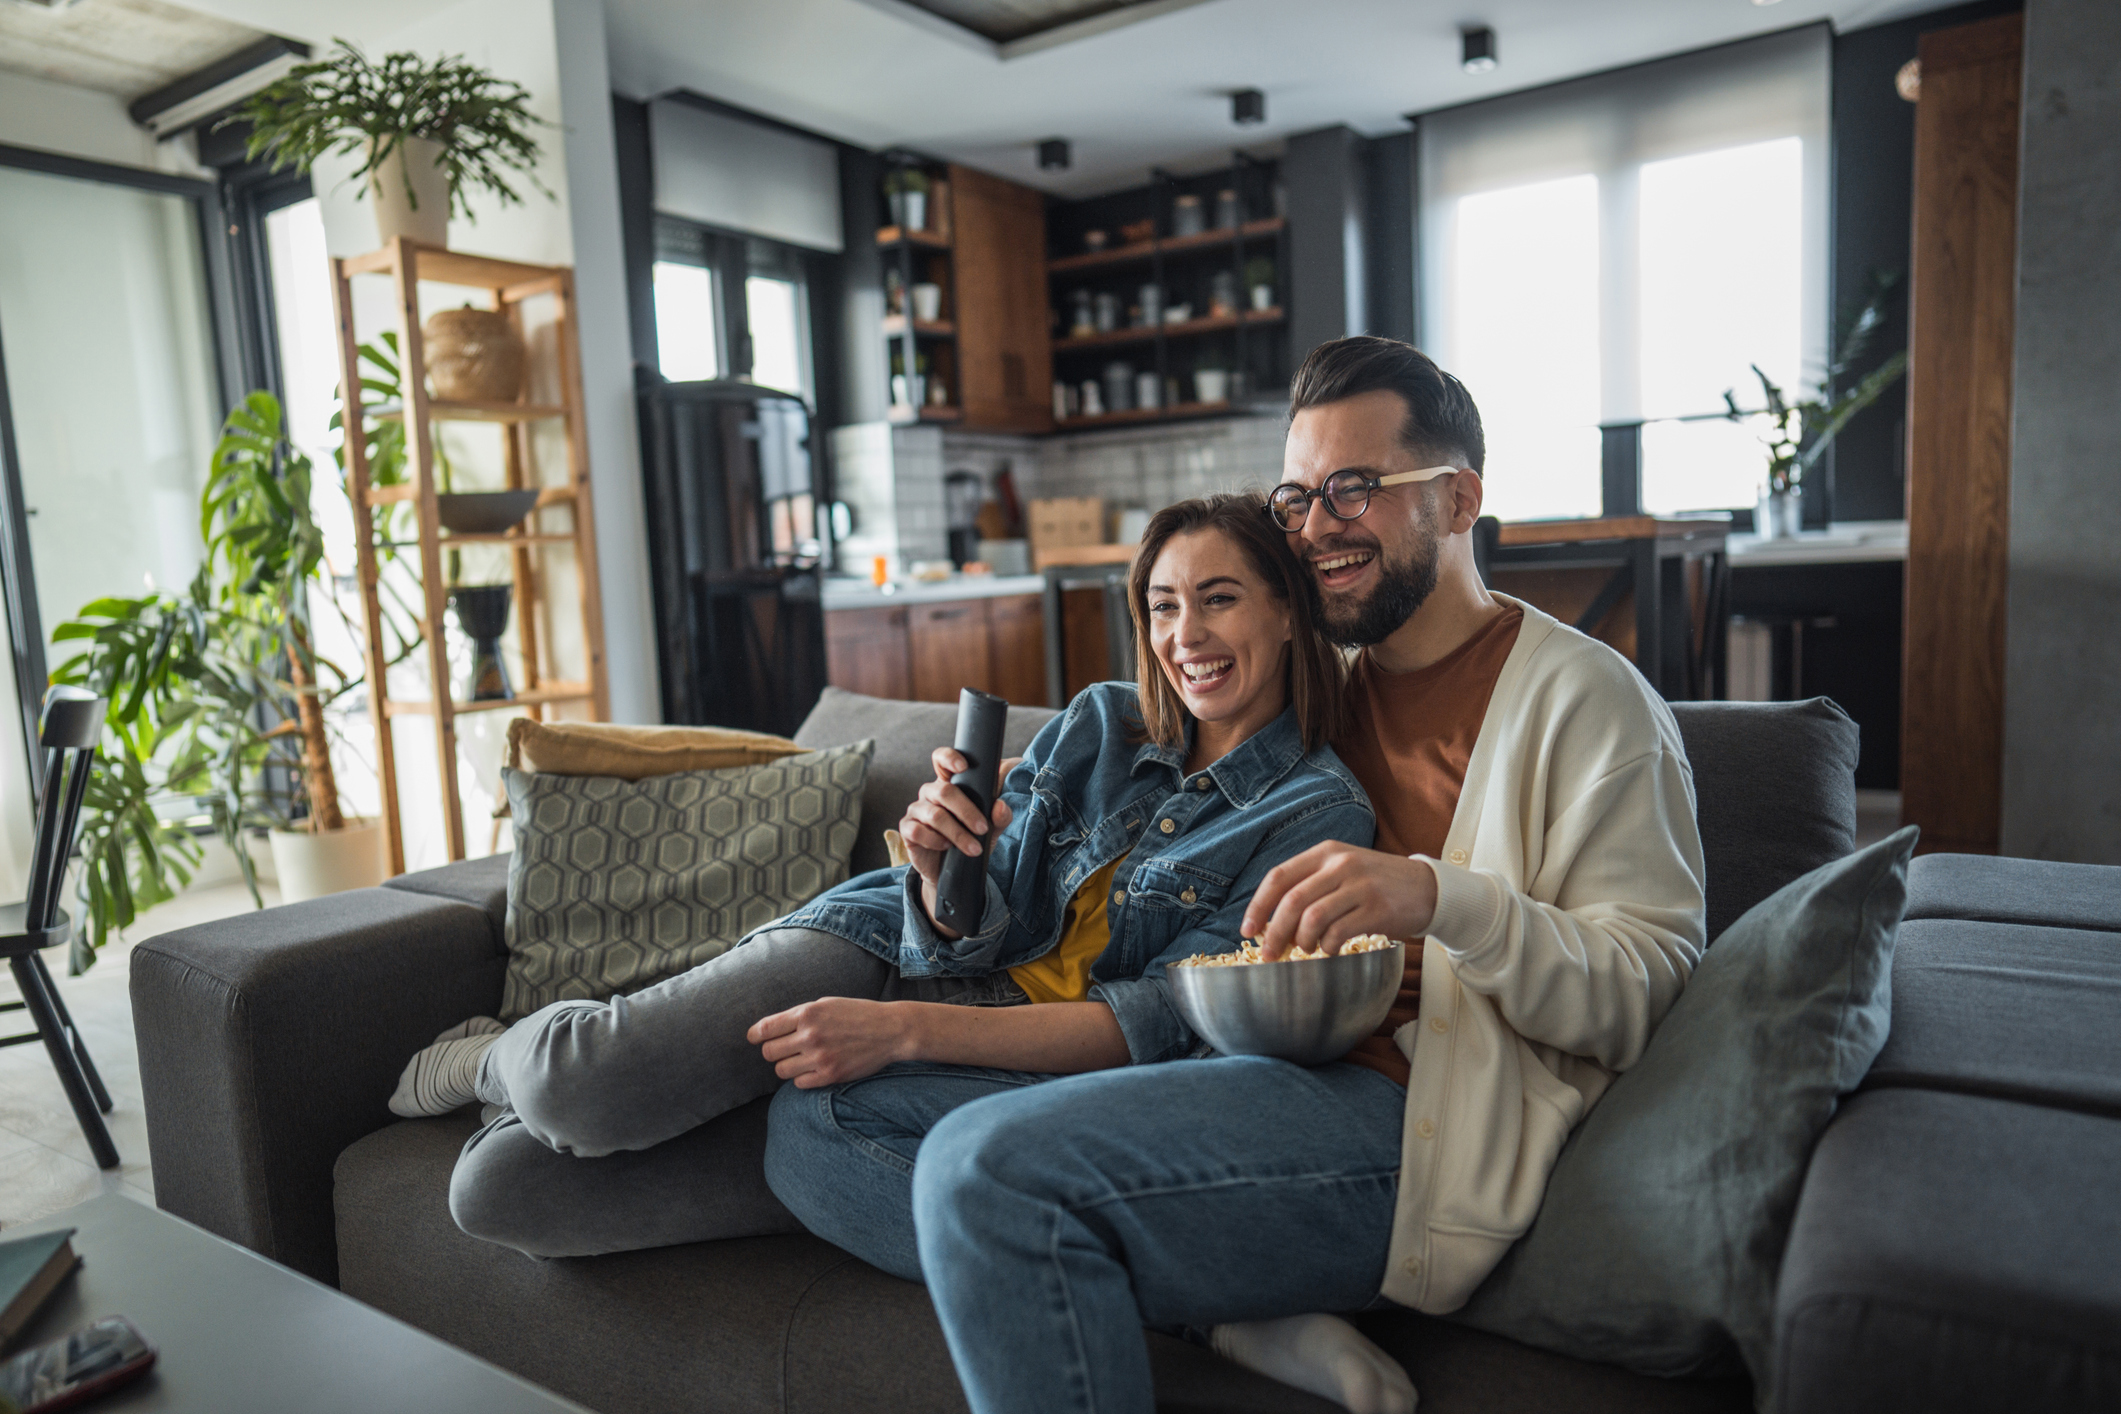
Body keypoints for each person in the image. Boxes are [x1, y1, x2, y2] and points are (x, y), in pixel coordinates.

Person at [762, 336, 1708, 1414]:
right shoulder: (1309, 676)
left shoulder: (1591, 704)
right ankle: (1218, 1304)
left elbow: (1653, 987)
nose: (1316, 528)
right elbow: (1149, 768)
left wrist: (1441, 898)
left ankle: (1178, 1276)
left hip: (1401, 1115)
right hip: (1225, 1061)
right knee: (814, 1123)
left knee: (985, 1170)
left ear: (1457, 499)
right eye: (1299, 498)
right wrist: (1002, 833)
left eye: (1354, 489)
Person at [386, 493, 1374, 1261]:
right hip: (874, 949)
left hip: (982, 1061)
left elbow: (1160, 1024)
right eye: (1163, 606)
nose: (1186, 636)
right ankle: (494, 1057)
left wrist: (907, 1033)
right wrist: (948, 865)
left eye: (1219, 598)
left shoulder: (1315, 816)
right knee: (577, 1084)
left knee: (501, 1189)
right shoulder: (1105, 723)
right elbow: (969, 923)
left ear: (1287, 613)